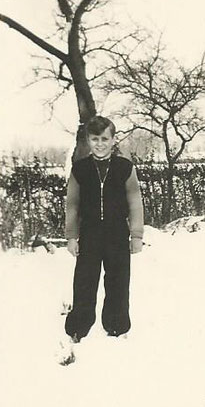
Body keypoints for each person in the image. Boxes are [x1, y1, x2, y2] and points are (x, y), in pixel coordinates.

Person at [64, 115, 144, 342]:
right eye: (95, 139)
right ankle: (78, 328)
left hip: (117, 232)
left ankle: (117, 326)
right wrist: (72, 236)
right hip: (89, 233)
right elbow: (72, 204)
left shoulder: (125, 168)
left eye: (104, 139)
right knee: (85, 280)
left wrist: (136, 235)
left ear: (112, 139)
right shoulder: (80, 170)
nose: (100, 144)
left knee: (118, 280)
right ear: (88, 140)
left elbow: (135, 201)